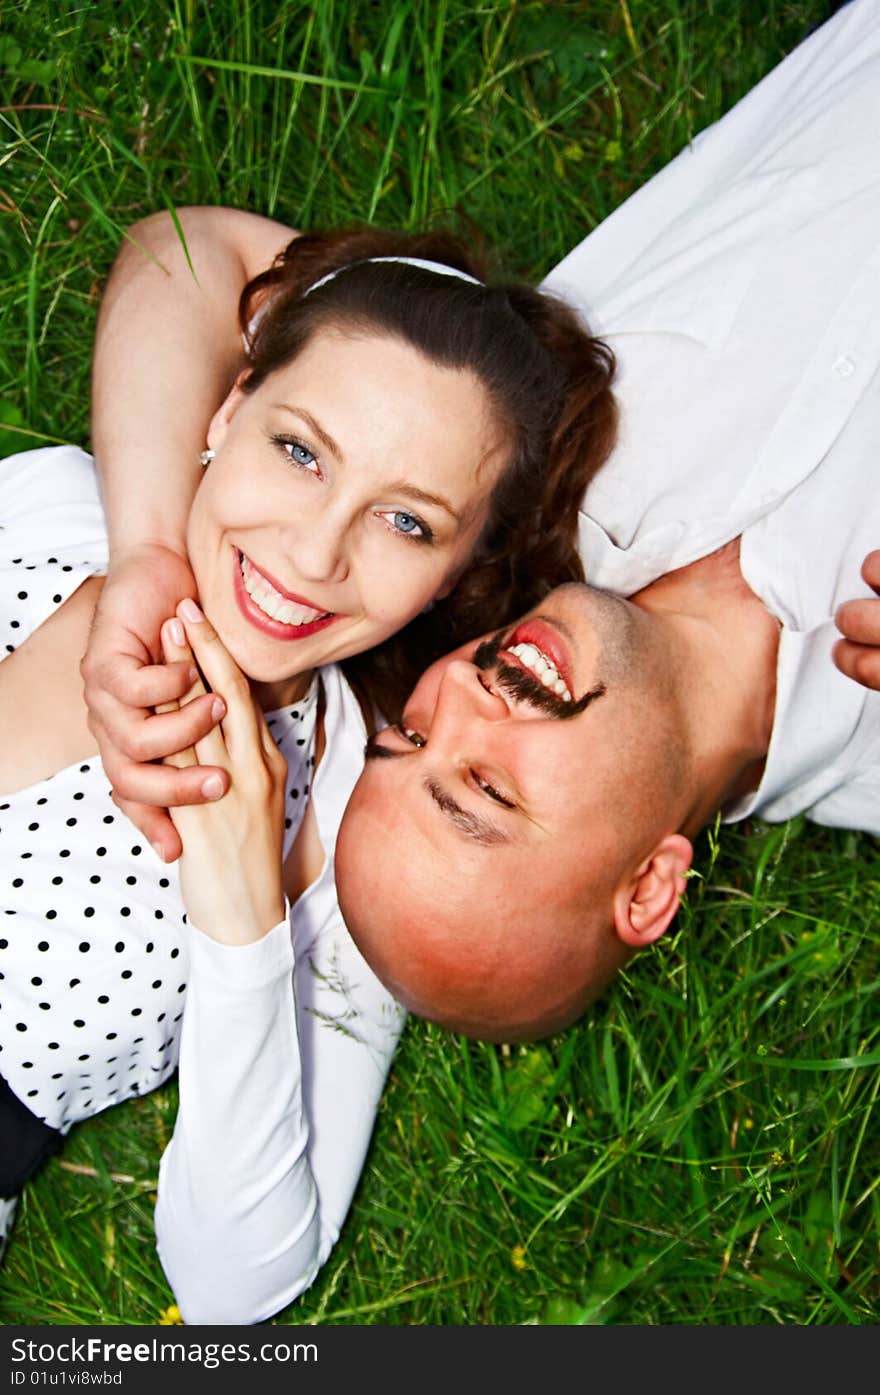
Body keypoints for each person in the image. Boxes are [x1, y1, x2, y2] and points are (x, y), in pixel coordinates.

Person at [0, 228, 618, 1324]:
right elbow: (184, 250)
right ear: (228, 410)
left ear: (454, 576)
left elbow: (235, 1285)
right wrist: (138, 559)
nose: (315, 552)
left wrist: (242, 917)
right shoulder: (54, 514)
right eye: (300, 451)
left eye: (404, 520)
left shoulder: (350, 826)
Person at [333, 0, 880, 1038]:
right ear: (647, 890)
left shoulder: (526, 441)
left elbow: (185, 265)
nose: (458, 697)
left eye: (408, 733)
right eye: (484, 787)